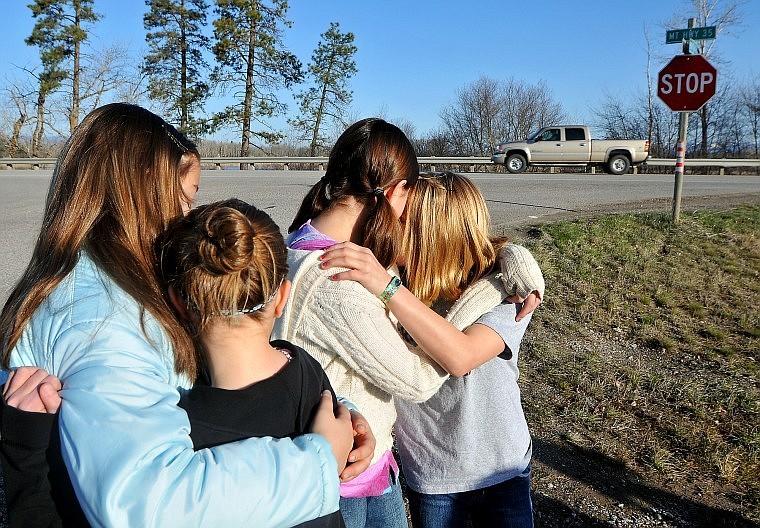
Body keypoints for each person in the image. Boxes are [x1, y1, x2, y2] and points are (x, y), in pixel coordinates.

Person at [0, 103, 374, 527]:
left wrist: (335, 415)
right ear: (138, 194)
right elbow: (153, 504)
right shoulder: (102, 322)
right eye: (181, 199)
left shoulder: (119, 284)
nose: (186, 219)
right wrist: (318, 459)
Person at [272, 119, 541, 528]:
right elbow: (420, 374)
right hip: (396, 476)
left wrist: (510, 263)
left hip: (481, 470)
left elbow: (460, 350)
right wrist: (394, 285)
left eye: (411, 228)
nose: (398, 231)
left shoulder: (502, 297)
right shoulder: (361, 277)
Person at [396, 172, 542, 528]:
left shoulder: (507, 291)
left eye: (401, 222)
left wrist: (387, 289)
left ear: (430, 233)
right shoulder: (398, 282)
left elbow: (460, 357)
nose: (390, 229)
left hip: (500, 467)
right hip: (433, 472)